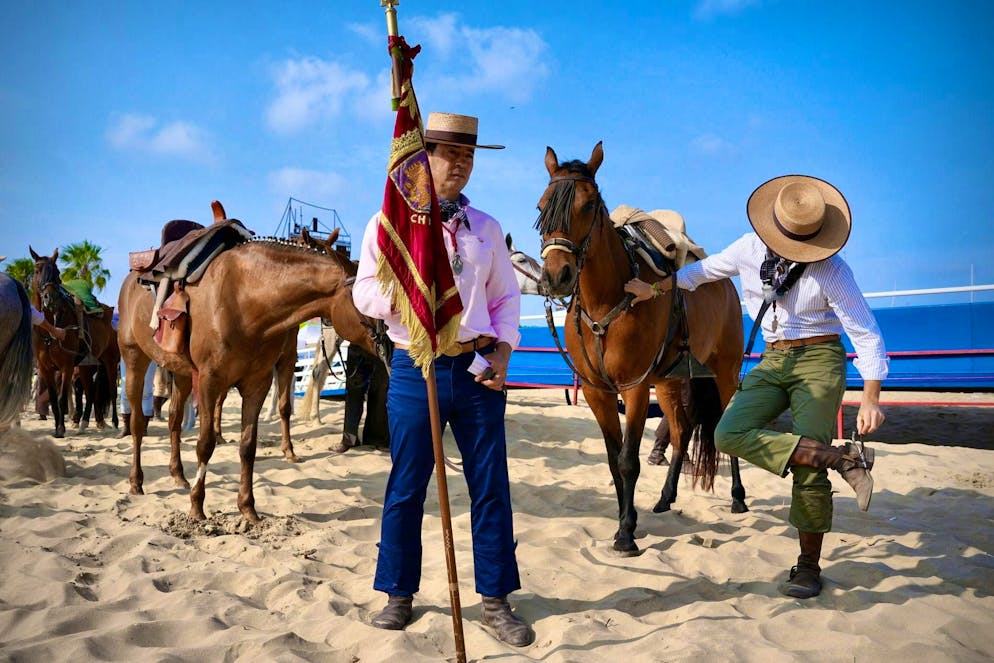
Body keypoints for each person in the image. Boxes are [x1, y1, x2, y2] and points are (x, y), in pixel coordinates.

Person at [624, 175, 887, 600]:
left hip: (819, 359)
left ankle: (807, 566)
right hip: (773, 357)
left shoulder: (832, 269)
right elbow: (698, 274)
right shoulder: (747, 248)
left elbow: (866, 333)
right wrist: (652, 288)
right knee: (728, 433)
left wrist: (871, 396)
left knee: (806, 466)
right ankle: (839, 458)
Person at [352, 112, 533, 646]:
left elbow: (505, 299)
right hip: (417, 367)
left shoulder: (488, 228)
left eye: (468, 156)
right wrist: (408, 288)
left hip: (476, 369)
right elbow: (362, 293)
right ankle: (398, 594)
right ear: (422, 158)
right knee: (406, 486)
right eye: (450, 154)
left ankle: (496, 601)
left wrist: (503, 351)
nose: (460, 165)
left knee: (490, 487)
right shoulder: (388, 225)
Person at [332, 344, 390, 453]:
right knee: (353, 392)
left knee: (380, 392)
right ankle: (349, 439)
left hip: (381, 345)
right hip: (357, 344)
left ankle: (377, 439)